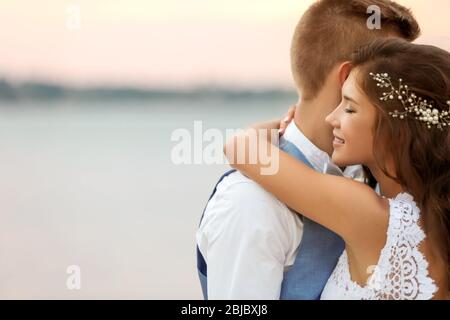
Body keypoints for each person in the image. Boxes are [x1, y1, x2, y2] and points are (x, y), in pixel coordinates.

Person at [196, 0, 420, 299]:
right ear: (349, 79)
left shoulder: (382, 179)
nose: (408, 98)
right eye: (395, 80)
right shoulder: (252, 205)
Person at [225, 38, 450, 299]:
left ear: (395, 130)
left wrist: (281, 124)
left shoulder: (368, 213)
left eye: (350, 108)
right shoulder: (434, 216)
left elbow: (240, 148)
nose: (331, 117)